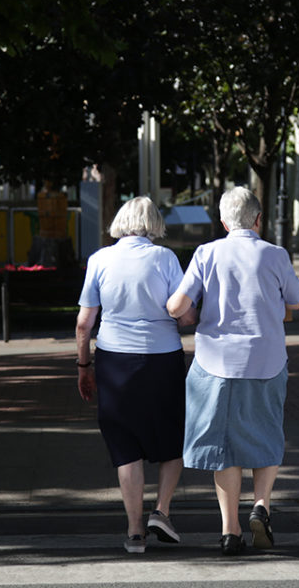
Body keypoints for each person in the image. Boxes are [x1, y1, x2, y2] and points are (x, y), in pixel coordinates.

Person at [166, 187, 299, 556]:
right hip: (267, 360)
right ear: (259, 220)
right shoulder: (275, 254)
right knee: (267, 433)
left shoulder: (207, 253)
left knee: (224, 447)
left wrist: (181, 311)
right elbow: (296, 299)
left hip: (217, 363)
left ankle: (230, 530)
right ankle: (262, 505)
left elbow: (178, 304)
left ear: (224, 222)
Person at [75, 196, 196, 555]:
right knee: (172, 435)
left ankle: (134, 532)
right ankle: (161, 511)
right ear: (154, 223)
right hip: (162, 359)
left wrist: (84, 367)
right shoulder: (166, 259)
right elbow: (185, 315)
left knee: (125, 445)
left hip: (114, 361)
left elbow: (84, 324)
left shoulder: (99, 260)